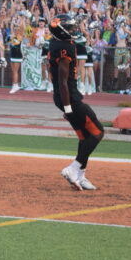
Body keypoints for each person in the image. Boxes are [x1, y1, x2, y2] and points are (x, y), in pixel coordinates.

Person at [48, 15, 103, 190]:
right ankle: (73, 168)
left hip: (63, 96)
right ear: (61, 31)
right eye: (70, 28)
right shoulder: (65, 48)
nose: (73, 30)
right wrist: (68, 108)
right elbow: (63, 81)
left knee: (84, 136)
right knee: (98, 132)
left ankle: (80, 175)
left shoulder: (56, 43)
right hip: (69, 97)